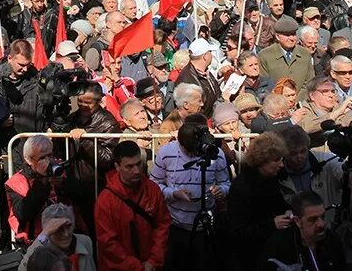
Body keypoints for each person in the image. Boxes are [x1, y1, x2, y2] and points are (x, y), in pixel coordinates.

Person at [149, 114, 230, 271]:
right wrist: (174, 193)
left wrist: (221, 191)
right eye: (189, 151)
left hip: (206, 227)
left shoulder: (215, 153)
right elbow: (153, 185)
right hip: (175, 227)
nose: (194, 155)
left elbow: (226, 183)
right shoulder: (166, 153)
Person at [94, 140, 171, 271]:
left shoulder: (152, 189)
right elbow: (107, 242)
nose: (136, 171)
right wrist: (138, 267)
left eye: (138, 164)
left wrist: (154, 261)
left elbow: (163, 225)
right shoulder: (105, 200)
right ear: (117, 167)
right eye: (129, 166)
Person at [4, 135, 87, 246]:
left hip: (67, 234)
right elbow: (24, 214)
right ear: (28, 160)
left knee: (86, 244)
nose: (48, 161)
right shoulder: (17, 182)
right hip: (38, 239)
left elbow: (83, 197)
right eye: (42, 158)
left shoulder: (60, 171)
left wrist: (63, 184)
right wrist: (43, 183)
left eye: (50, 156)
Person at [226, 132, 292, 270]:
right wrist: (272, 224)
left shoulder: (270, 180)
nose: (281, 165)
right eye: (276, 160)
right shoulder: (242, 187)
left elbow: (278, 204)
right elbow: (238, 230)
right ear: (262, 160)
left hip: (268, 251)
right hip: (247, 257)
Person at [19, 204, 95, 271]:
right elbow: (23, 269)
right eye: (59, 229)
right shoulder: (44, 250)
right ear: (49, 230)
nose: (66, 234)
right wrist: (44, 233)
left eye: (68, 226)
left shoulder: (84, 241)